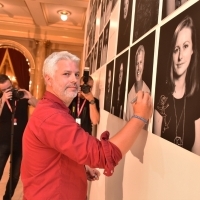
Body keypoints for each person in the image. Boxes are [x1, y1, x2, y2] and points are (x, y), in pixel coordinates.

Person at [21, 51, 152, 199]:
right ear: (48, 79)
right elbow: (103, 155)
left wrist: (80, 166)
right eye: (66, 74)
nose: (74, 80)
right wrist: (140, 117)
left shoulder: (53, 109)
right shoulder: (52, 116)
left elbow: (57, 152)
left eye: (76, 75)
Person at [153, 16, 200, 155]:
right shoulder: (161, 96)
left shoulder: (197, 99)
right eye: (176, 49)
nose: (180, 57)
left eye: (185, 46)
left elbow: (197, 152)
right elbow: (156, 149)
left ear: (192, 50)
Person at [0, 74, 38, 200]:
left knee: (15, 175)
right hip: (3, 142)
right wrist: (2, 100)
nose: (8, 91)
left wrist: (30, 97)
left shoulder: (21, 96)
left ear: (12, 84)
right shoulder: (1, 99)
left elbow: (40, 107)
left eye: (9, 88)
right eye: (4, 90)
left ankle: (7, 198)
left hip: (21, 143)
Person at [126, 45, 150, 124]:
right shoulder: (129, 94)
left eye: (141, 63)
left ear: (143, 65)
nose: (138, 68)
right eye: (137, 63)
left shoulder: (148, 92)